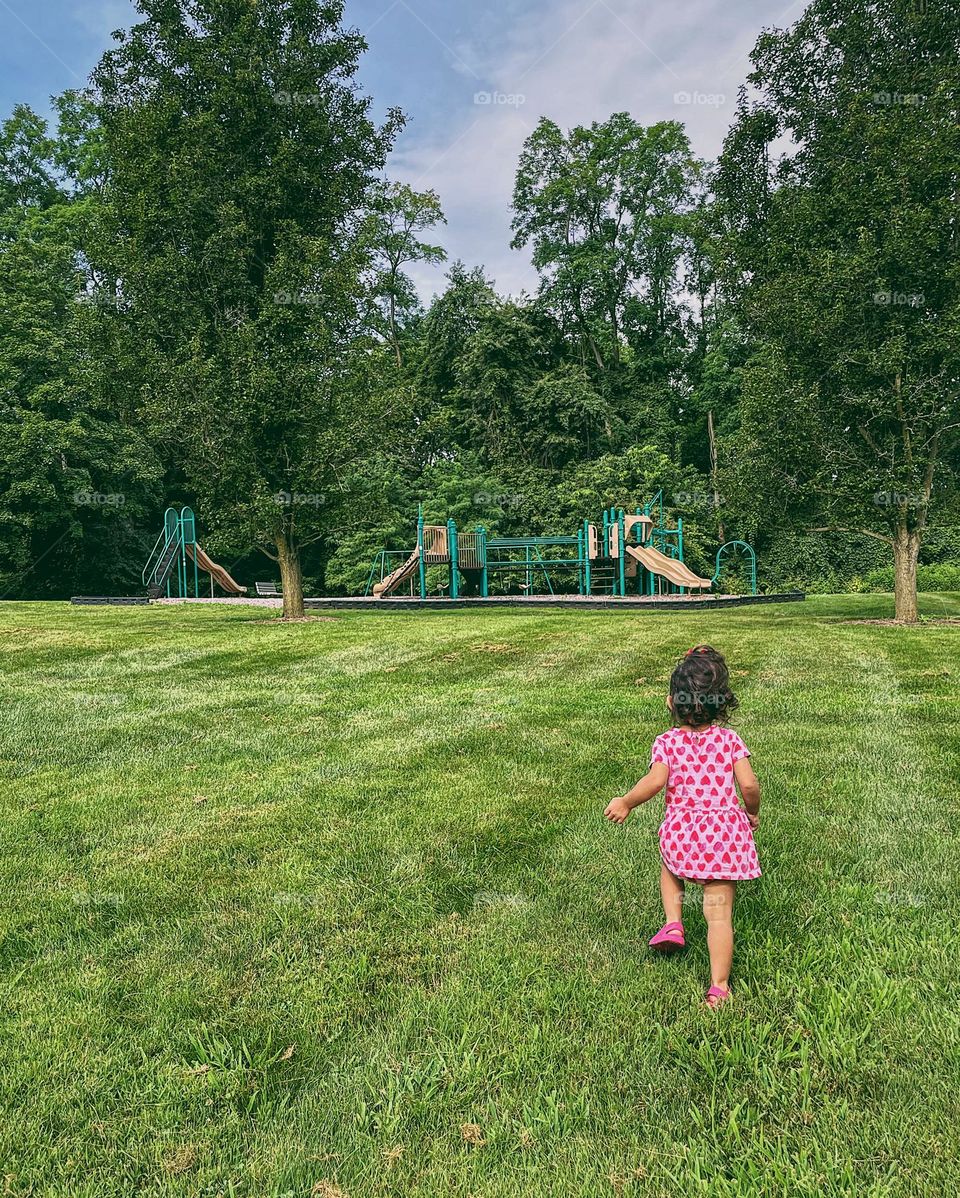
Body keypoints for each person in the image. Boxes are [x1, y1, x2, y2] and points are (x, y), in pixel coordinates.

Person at [604, 645, 761, 1007]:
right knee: (719, 915)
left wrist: (626, 802)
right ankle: (719, 986)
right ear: (722, 704)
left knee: (669, 864)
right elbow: (749, 785)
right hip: (724, 837)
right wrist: (751, 812)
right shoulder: (730, 740)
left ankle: (674, 921)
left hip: (682, 832)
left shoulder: (667, 743)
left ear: (671, 703)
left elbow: (655, 782)